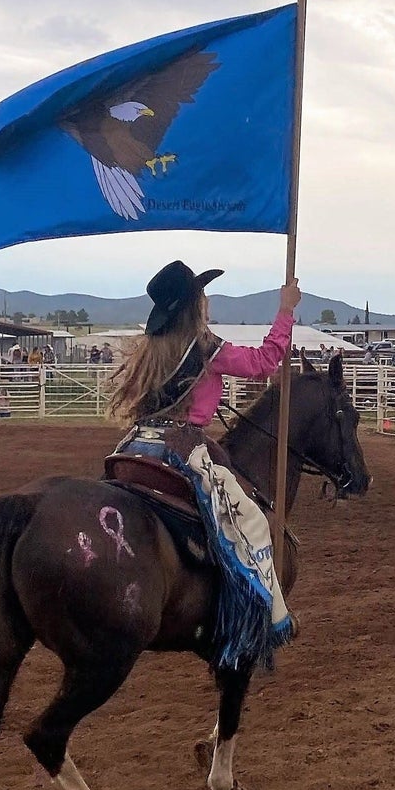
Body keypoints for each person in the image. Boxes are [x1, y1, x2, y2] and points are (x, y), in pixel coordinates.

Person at [108, 260, 301, 668]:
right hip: (183, 447)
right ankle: (259, 615)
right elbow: (265, 362)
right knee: (250, 520)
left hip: (137, 444)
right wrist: (285, 311)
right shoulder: (205, 347)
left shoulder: (153, 350)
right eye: (202, 294)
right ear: (194, 304)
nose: (207, 299)